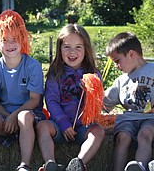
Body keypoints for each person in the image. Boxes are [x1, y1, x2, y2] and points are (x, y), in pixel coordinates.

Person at [0, 10, 45, 171]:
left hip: (29, 117)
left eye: (14, 39)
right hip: (5, 118)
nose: (10, 44)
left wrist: (15, 116)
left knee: (24, 116)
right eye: (4, 40)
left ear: (22, 39)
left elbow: (34, 100)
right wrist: (8, 117)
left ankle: (24, 165)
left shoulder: (32, 66)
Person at [36, 24, 105, 171]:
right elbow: (51, 100)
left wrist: (89, 92)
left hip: (83, 127)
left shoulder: (93, 74)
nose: (72, 52)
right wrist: (63, 123)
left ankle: (78, 164)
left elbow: (97, 103)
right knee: (42, 126)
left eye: (78, 47)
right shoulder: (56, 73)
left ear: (86, 50)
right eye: (67, 46)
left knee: (98, 132)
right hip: (59, 125)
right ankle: (50, 164)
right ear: (60, 49)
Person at [103, 32, 154, 171]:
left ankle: (138, 167)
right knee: (122, 137)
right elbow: (104, 102)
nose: (116, 66)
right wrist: (90, 90)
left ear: (131, 54)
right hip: (128, 119)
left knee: (145, 134)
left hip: (152, 118)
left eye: (117, 61)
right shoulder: (120, 81)